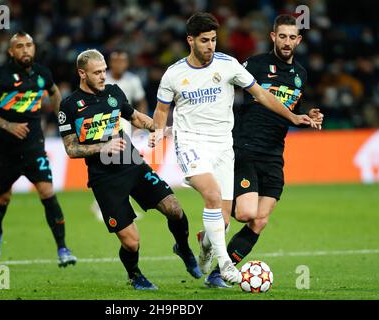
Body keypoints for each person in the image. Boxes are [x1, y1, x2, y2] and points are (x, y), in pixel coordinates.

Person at [149, 12, 316, 286]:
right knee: (213, 196)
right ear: (190, 40)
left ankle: (205, 246)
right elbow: (161, 110)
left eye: (214, 40)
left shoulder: (229, 65)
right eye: (205, 40)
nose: (211, 46)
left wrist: (295, 117)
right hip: (191, 142)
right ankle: (225, 265)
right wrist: (157, 132)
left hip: (223, 146)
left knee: (224, 221)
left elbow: (262, 94)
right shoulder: (174, 74)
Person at [58, 49, 201, 290]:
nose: (104, 76)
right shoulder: (69, 106)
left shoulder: (113, 93)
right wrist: (103, 147)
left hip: (132, 165)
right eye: (97, 73)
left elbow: (134, 117)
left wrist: (155, 128)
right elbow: (71, 148)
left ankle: (184, 248)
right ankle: (135, 275)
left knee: (174, 209)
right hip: (104, 179)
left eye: (104, 71)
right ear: (82, 73)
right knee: (132, 242)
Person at [203, 14, 324, 288]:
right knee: (245, 214)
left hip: (273, 154)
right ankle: (213, 231)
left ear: (299, 40)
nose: (287, 42)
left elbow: (286, 112)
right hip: (245, 147)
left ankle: (219, 273)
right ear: (273, 37)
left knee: (259, 221)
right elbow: (223, 86)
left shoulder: (300, 75)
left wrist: (306, 117)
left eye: (292, 37)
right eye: (282, 36)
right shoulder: (255, 65)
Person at [0, 31, 77, 267]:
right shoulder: (1, 76)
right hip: (5, 150)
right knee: (2, 198)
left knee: (47, 193)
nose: (25, 50)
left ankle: (63, 248)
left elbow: (54, 92)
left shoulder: (42, 73)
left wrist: (61, 119)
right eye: (19, 46)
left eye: (29, 45)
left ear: (34, 49)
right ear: (11, 52)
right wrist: (7, 125)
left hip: (33, 148)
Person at [90, 50, 148, 221]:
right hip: (106, 125)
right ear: (110, 63)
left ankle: (115, 206)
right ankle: (104, 205)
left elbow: (141, 100)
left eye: (122, 61)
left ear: (126, 63)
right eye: (116, 61)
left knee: (122, 166)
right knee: (113, 166)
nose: (119, 65)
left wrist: (139, 124)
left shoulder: (132, 80)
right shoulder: (102, 79)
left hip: (125, 124)